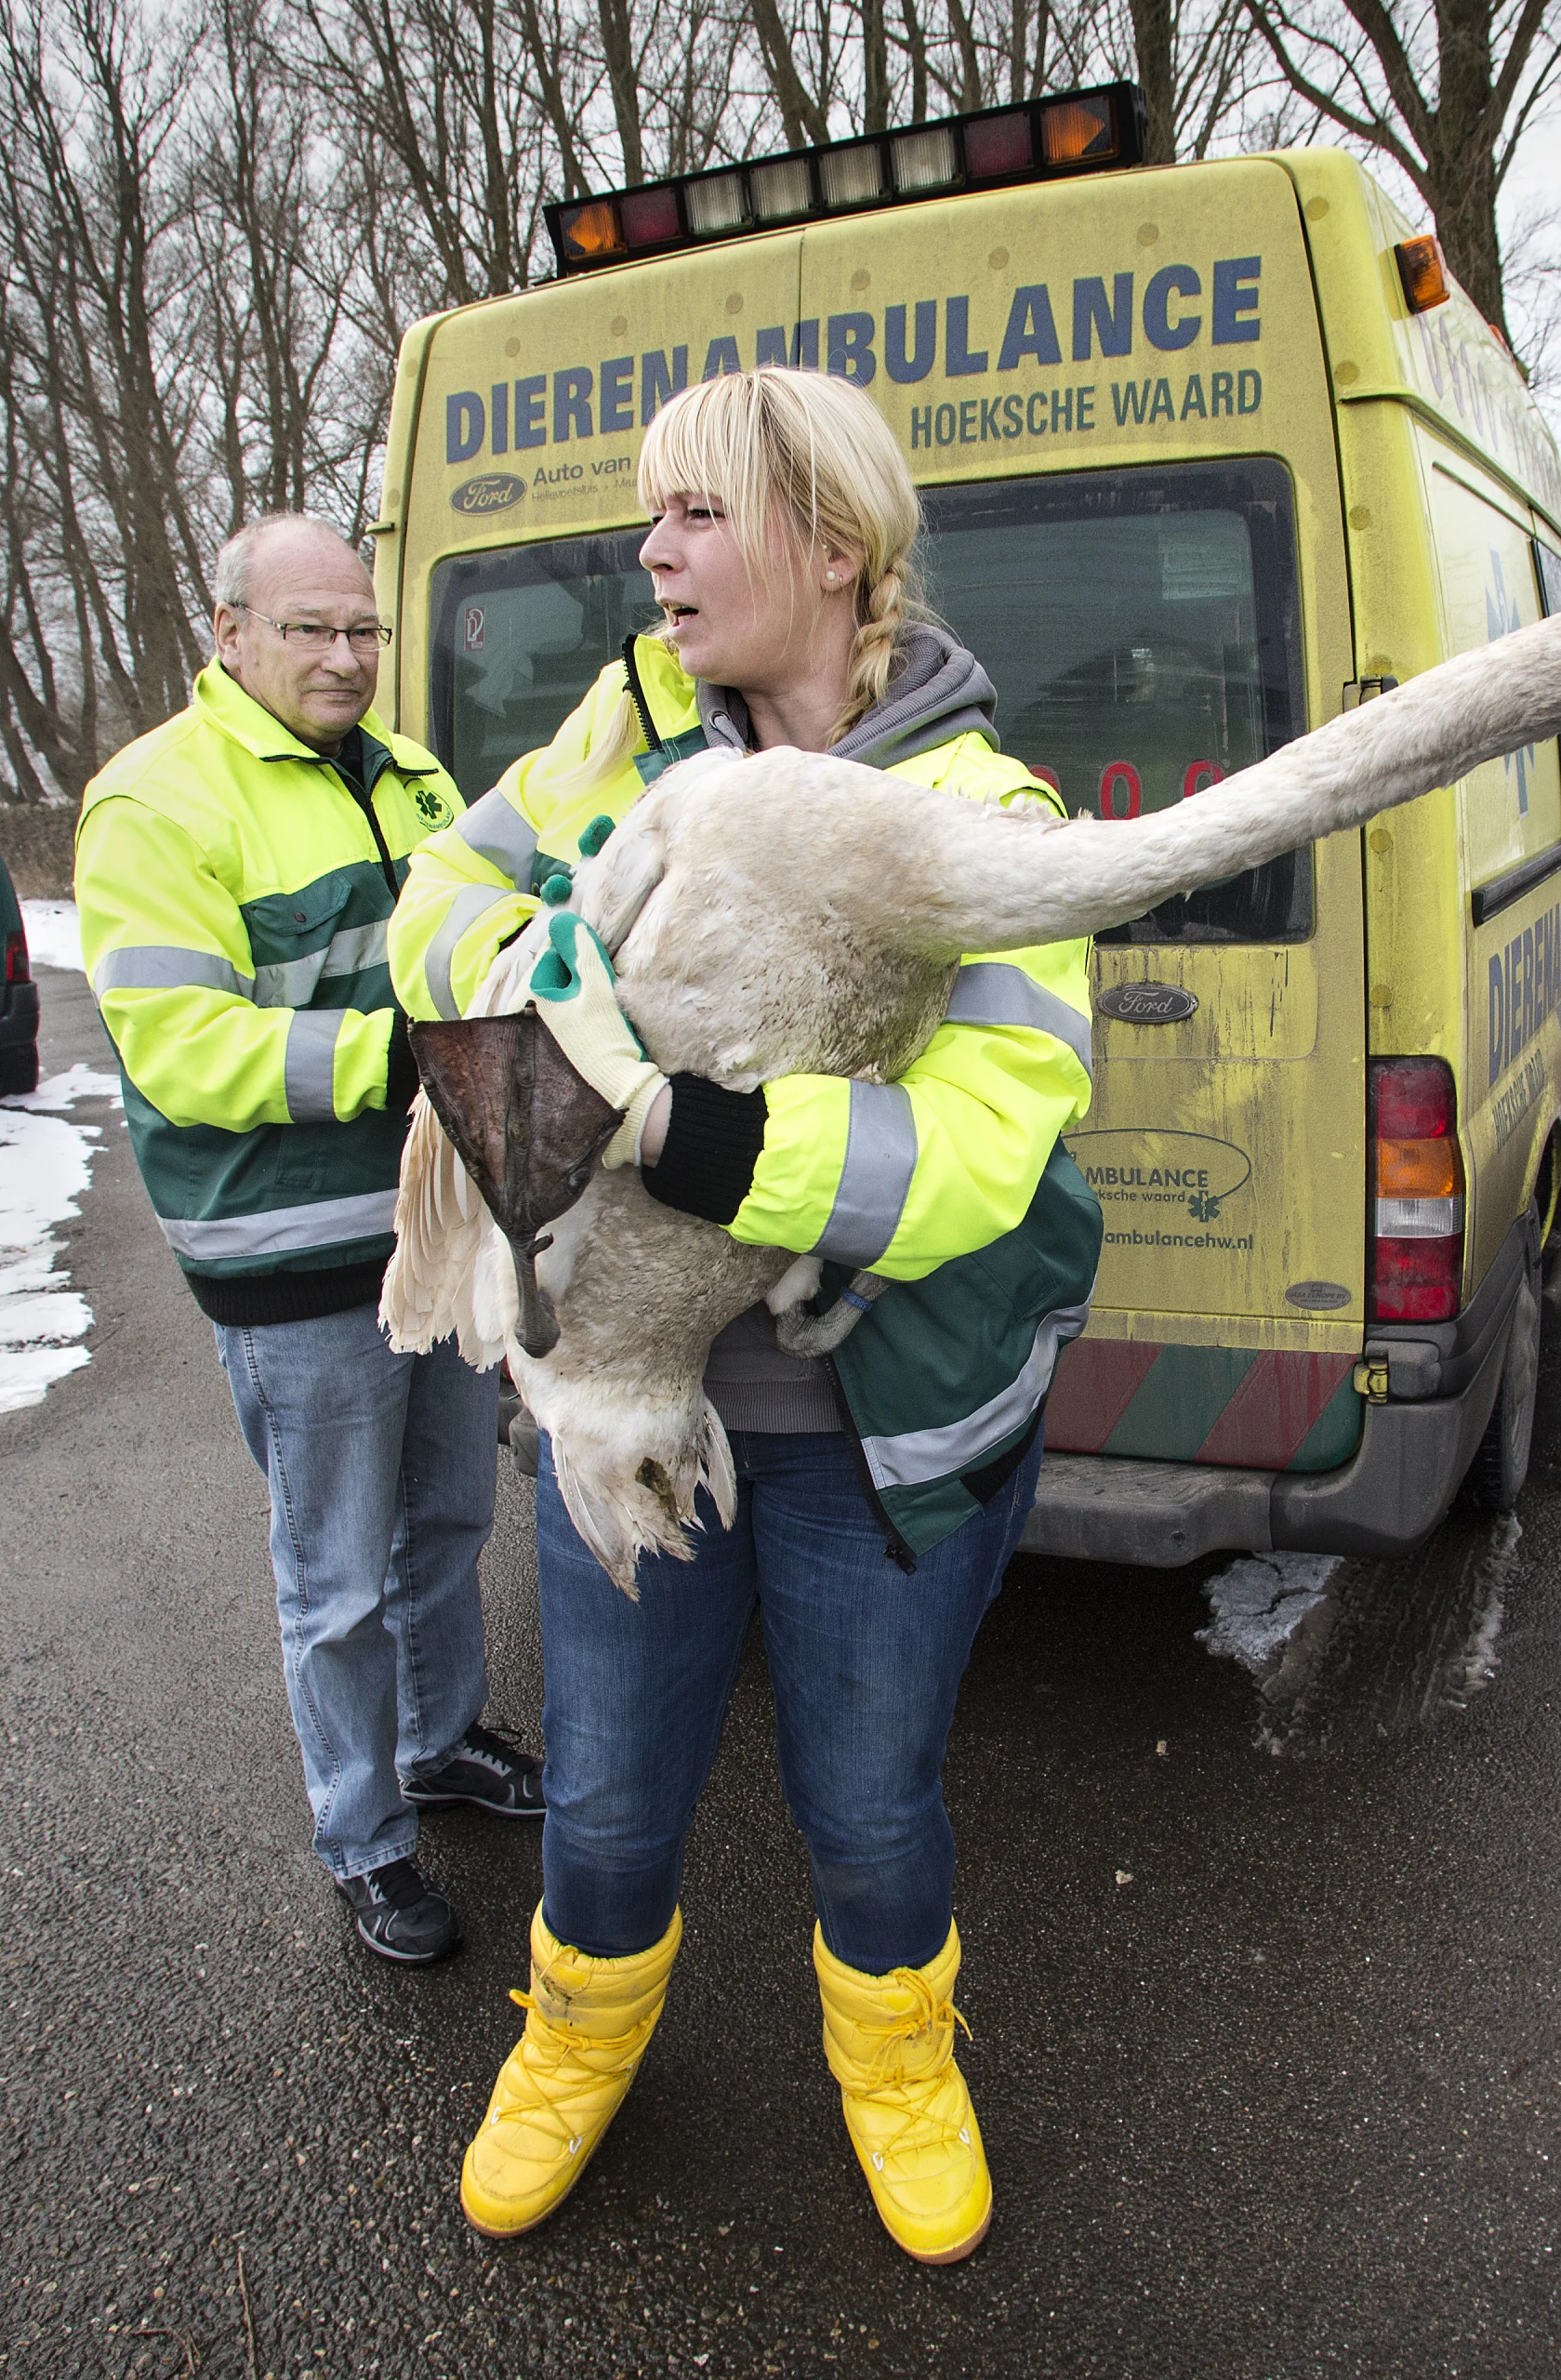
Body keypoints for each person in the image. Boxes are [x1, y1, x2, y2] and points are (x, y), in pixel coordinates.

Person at [387, 369, 1099, 2263]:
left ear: (834, 548)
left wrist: (691, 1133)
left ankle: (895, 2063)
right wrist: (533, 964)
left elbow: (977, 1151)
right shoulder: (616, 748)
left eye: (697, 510)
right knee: (607, 1795)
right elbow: (434, 898)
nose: (653, 548)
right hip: (630, 1414)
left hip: (869, 1429)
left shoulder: (985, 817)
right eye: (651, 511)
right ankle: (576, 2041)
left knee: (869, 1801)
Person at [76, 512, 545, 1967]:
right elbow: (181, 1050)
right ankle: (365, 1838)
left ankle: (437, 1740)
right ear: (227, 634)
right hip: (294, 1268)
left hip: (438, 1236)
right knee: (335, 1577)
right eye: (309, 631)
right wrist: (406, 1058)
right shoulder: (156, 801)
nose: (347, 657)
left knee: (452, 1523)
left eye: (362, 630)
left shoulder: (411, 778)